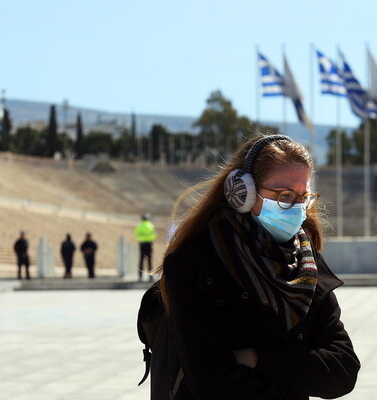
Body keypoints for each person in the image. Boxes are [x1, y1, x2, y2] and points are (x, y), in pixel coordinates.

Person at [155, 134, 360, 399]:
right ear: (243, 192)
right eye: (284, 195)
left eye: (303, 197)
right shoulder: (195, 263)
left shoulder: (307, 266)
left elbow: (343, 371)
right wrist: (296, 374)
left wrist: (257, 358)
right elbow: (213, 383)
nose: (297, 208)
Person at [135, 213, 157, 281]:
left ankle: (140, 276)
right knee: (149, 260)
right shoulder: (150, 226)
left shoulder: (139, 226)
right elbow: (154, 235)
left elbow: (136, 234)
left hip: (142, 244)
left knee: (141, 260)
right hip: (149, 244)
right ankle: (150, 276)